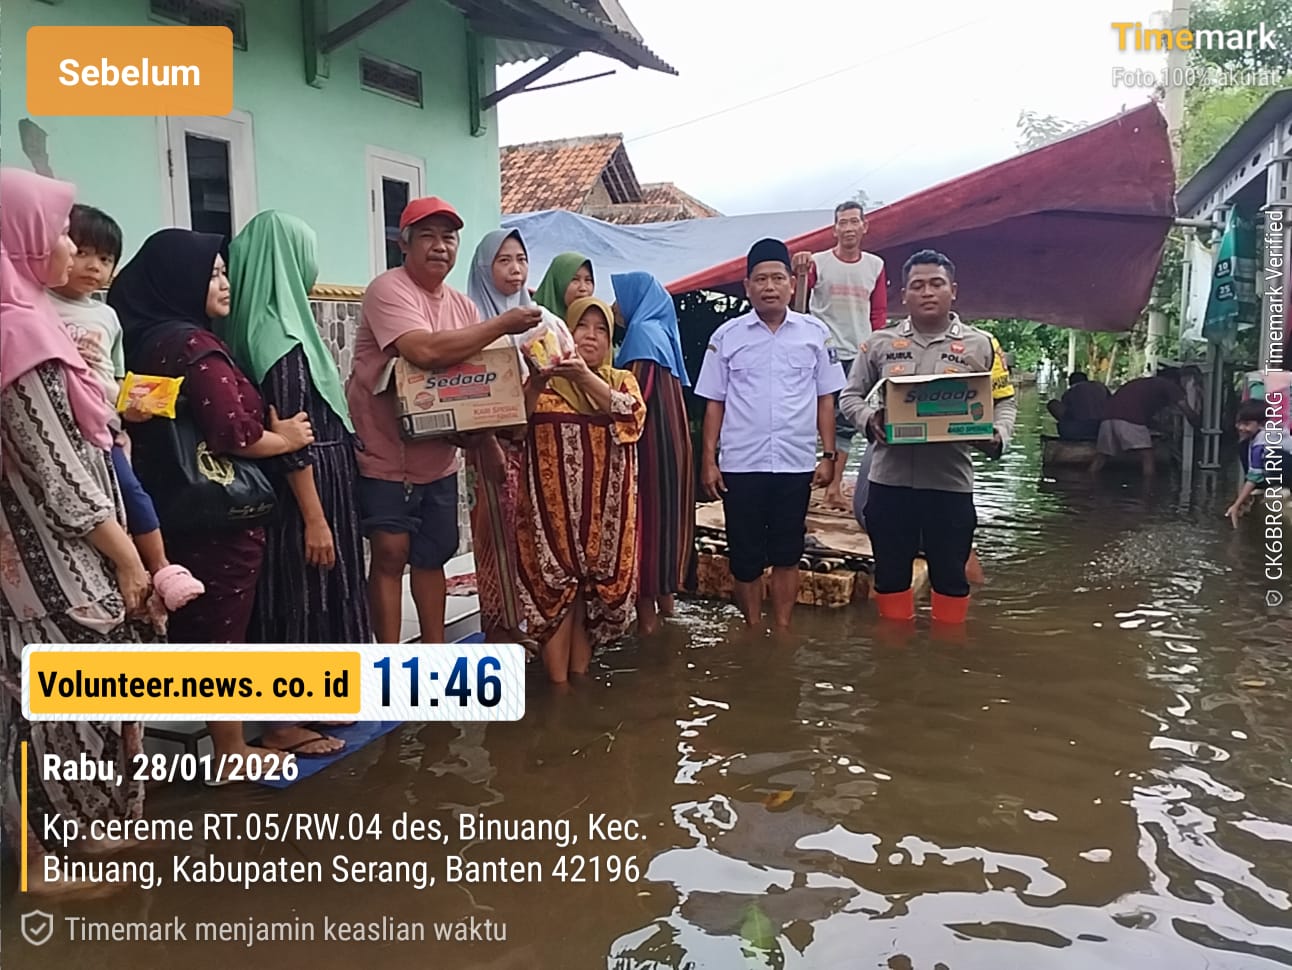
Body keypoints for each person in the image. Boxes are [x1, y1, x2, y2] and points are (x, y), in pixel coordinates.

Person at [109, 228, 315, 777]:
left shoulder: (144, 337)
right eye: (214, 273)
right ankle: (230, 751)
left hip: (166, 505)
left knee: (192, 622)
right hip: (219, 513)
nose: (224, 283)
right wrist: (289, 439)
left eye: (225, 271)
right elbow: (234, 432)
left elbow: (153, 415)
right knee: (223, 625)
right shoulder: (195, 348)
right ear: (183, 280)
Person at [1, 167, 152, 892]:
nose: (70, 245)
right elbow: (57, 475)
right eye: (59, 230)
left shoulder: (32, 321)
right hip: (49, 566)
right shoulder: (16, 335)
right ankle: (43, 859)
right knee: (48, 708)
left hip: (58, 561)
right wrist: (127, 559)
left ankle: (68, 838)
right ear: (24, 239)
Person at [345, 197, 541, 644]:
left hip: (439, 457)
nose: (440, 247)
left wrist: (487, 441)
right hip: (385, 454)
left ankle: (434, 655)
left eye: (448, 238)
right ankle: (389, 662)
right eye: (428, 236)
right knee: (391, 552)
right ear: (404, 244)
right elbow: (425, 352)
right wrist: (504, 324)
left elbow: (476, 388)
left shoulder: (462, 306)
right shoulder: (387, 289)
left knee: (433, 555)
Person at [223, 211, 372, 753]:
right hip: (303, 489)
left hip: (312, 479)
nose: (314, 270)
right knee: (301, 591)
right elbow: (291, 431)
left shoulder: (255, 324)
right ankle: (286, 721)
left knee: (312, 588)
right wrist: (315, 516)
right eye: (306, 256)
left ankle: (319, 702)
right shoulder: (279, 336)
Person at [839, 249, 1017, 624]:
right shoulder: (879, 344)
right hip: (889, 484)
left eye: (936, 284)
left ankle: (947, 659)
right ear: (904, 294)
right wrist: (870, 420)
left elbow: (1005, 402)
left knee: (951, 578)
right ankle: (894, 659)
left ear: (953, 290)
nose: (927, 292)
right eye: (917, 286)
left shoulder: (982, 345)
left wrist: (996, 437)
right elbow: (849, 396)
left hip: (950, 484)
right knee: (889, 577)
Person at [48, 204, 206, 620]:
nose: (93, 267)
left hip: (103, 428)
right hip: (59, 430)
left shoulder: (107, 316)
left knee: (131, 493)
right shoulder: (37, 307)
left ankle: (160, 567)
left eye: (105, 259)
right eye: (82, 252)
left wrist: (130, 410)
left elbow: (115, 375)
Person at [694, 238, 845, 632]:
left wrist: (828, 456)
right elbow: (714, 402)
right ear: (747, 286)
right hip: (742, 463)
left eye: (778, 278)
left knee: (787, 551)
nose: (769, 286)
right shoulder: (727, 336)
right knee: (744, 555)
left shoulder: (815, 334)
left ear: (792, 285)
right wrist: (708, 460)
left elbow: (825, 400)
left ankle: (781, 629)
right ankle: (752, 626)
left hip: (794, 462)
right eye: (760, 279)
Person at [514, 296, 646, 684]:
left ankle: (578, 682)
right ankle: (559, 692)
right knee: (556, 597)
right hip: (550, 516)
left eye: (600, 329)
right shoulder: (541, 380)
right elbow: (513, 427)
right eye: (581, 327)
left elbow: (632, 416)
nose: (590, 336)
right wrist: (539, 381)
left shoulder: (620, 380)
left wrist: (582, 377)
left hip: (603, 518)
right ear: (565, 333)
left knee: (590, 600)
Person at [464, 228, 554, 643]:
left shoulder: (540, 319)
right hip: (490, 443)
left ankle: (523, 620)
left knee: (527, 536)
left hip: (534, 442)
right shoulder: (472, 322)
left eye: (521, 259)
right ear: (485, 268)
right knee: (493, 537)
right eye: (503, 261)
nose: (515, 269)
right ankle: (498, 626)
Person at [611, 271, 696, 635]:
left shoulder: (642, 335)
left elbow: (635, 398)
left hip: (650, 451)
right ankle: (668, 609)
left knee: (646, 527)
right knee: (666, 525)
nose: (614, 306)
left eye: (619, 297)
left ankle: (647, 625)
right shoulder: (663, 334)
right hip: (672, 451)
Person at [790, 202, 888, 509]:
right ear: (834, 229)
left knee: (847, 420)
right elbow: (799, 302)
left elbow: (879, 310)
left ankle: (834, 488)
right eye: (842, 222)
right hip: (823, 349)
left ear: (864, 226)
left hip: (858, 352)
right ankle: (803, 485)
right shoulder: (819, 262)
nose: (848, 228)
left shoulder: (875, 265)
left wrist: (873, 344)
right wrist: (801, 271)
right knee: (810, 415)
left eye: (853, 222)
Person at [1090, 368, 1199, 479]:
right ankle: (1148, 490)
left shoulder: (1144, 384)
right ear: (1175, 380)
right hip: (1129, 419)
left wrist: (1161, 427)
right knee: (1147, 455)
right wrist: (1197, 424)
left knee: (1101, 456)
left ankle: (1091, 481)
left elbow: (1145, 416)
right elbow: (1186, 409)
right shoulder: (1169, 385)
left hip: (1107, 419)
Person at [1225, 398, 1282, 527]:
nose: (1241, 428)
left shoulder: (1262, 441)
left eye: (1246, 424)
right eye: (1239, 423)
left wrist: (1236, 505)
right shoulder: (1257, 437)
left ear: (1261, 424)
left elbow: (1254, 476)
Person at [1046, 371, 1110, 440]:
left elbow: (1064, 413)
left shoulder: (1070, 392)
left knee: (1052, 403)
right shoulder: (1101, 387)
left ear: (1070, 383)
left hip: (1075, 430)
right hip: (1103, 429)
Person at [532, 252, 595, 318]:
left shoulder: (594, 321)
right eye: (575, 280)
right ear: (557, 283)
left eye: (588, 280)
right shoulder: (533, 319)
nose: (583, 288)